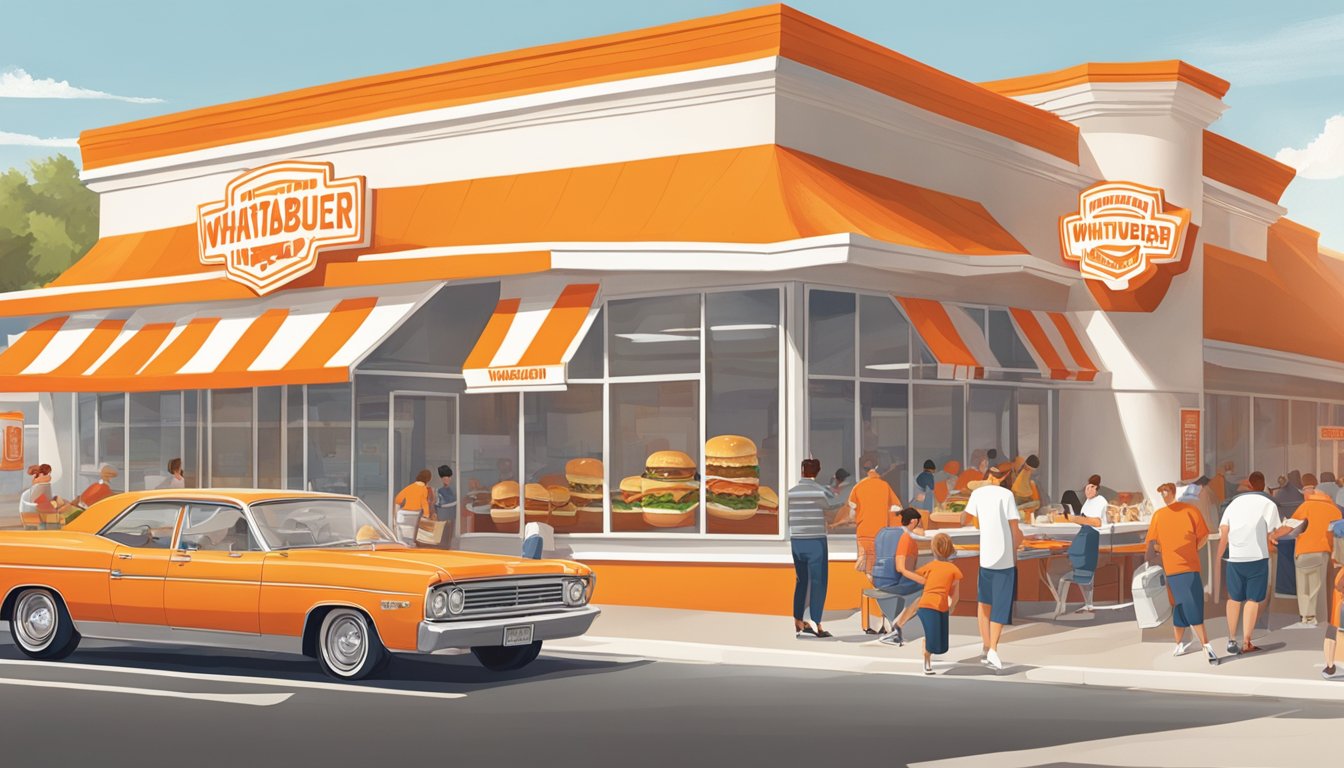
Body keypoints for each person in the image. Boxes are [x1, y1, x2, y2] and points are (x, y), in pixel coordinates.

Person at [1146, 482, 1218, 664]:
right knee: (1187, 603)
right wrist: (1167, 548)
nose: (1164, 495)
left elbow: (1203, 535)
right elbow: (1152, 542)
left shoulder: (1189, 511)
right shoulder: (1159, 515)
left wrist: (1189, 548)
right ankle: (1205, 645)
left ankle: (1181, 643)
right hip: (1174, 567)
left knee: (1184, 603)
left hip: (1189, 565)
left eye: (1166, 491)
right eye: (1161, 492)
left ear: (1173, 492)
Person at [833, 458, 902, 634]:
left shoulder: (858, 488)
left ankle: (877, 620)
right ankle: (883, 619)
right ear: (877, 469)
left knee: (871, 575)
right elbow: (896, 509)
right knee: (882, 575)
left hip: (864, 536)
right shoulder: (885, 487)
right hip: (882, 536)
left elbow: (851, 513)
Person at [962, 465, 1020, 671]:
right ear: (1005, 476)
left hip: (985, 557)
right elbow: (1015, 530)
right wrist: (1018, 545)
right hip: (1004, 559)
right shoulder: (1007, 495)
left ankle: (986, 646)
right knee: (1001, 605)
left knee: (984, 602)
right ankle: (994, 649)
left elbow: (963, 519)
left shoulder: (977, 493)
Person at [1216, 471, 1278, 655]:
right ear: (1263, 484)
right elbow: (1275, 531)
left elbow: (1224, 533)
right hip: (1257, 557)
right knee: (1253, 600)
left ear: (1249, 485)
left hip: (1234, 558)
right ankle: (1247, 642)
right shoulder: (1267, 503)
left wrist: (1220, 557)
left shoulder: (1233, 504)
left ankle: (1231, 638)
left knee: (1234, 598)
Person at [1272, 473, 1342, 626]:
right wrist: (1335, 556)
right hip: (1322, 552)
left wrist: (1273, 536)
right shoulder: (1334, 511)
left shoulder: (1306, 506)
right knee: (1318, 587)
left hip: (1303, 551)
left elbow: (1290, 526)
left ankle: (1306, 617)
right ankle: (1319, 619)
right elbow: (1335, 536)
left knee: (1303, 586)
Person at [789, 459, 838, 638]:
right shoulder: (819, 492)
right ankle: (815, 622)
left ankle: (798, 619)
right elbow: (831, 509)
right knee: (818, 581)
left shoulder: (790, 493)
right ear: (817, 472)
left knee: (801, 580)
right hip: (815, 540)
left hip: (796, 540)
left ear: (802, 471)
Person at [910, 533, 962, 675]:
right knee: (932, 641)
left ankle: (927, 648)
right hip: (928, 606)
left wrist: (950, 607)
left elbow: (915, 577)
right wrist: (952, 607)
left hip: (940, 607)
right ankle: (926, 660)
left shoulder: (946, 569)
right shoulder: (951, 569)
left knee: (941, 645)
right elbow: (955, 594)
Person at [886, 508, 928, 644]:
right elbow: (901, 568)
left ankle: (898, 623)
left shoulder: (904, 534)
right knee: (929, 590)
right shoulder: (906, 538)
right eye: (920, 523)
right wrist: (922, 580)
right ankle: (898, 624)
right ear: (914, 521)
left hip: (902, 578)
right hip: (902, 581)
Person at [394, 469, 435, 545]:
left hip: (404, 513)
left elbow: (398, 499)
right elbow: (424, 503)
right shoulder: (423, 489)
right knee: (413, 533)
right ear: (428, 479)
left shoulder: (409, 487)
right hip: (415, 513)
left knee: (403, 533)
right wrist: (426, 514)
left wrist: (396, 513)